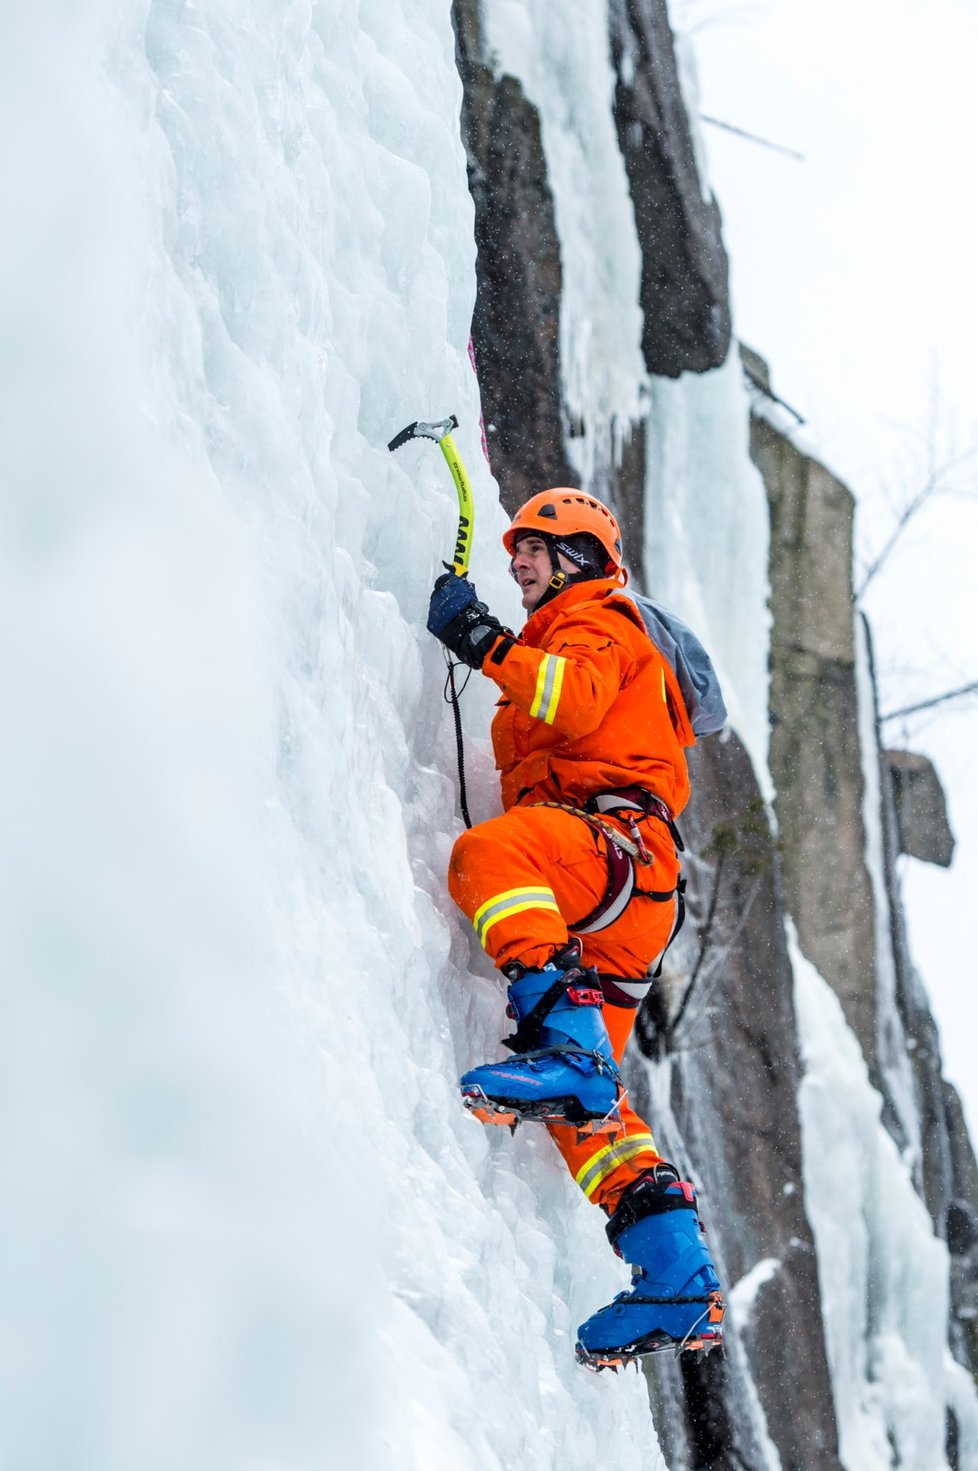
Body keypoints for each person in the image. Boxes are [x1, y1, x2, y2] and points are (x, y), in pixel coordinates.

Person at [426, 488, 724, 1368]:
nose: (517, 562)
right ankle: (677, 1275)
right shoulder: (574, 626)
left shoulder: (597, 618)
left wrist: (482, 639)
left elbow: (577, 699)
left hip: (613, 850)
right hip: (622, 898)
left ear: (582, 557)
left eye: (535, 548)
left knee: (487, 857)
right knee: (585, 1122)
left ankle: (577, 1057)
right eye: (514, 548)